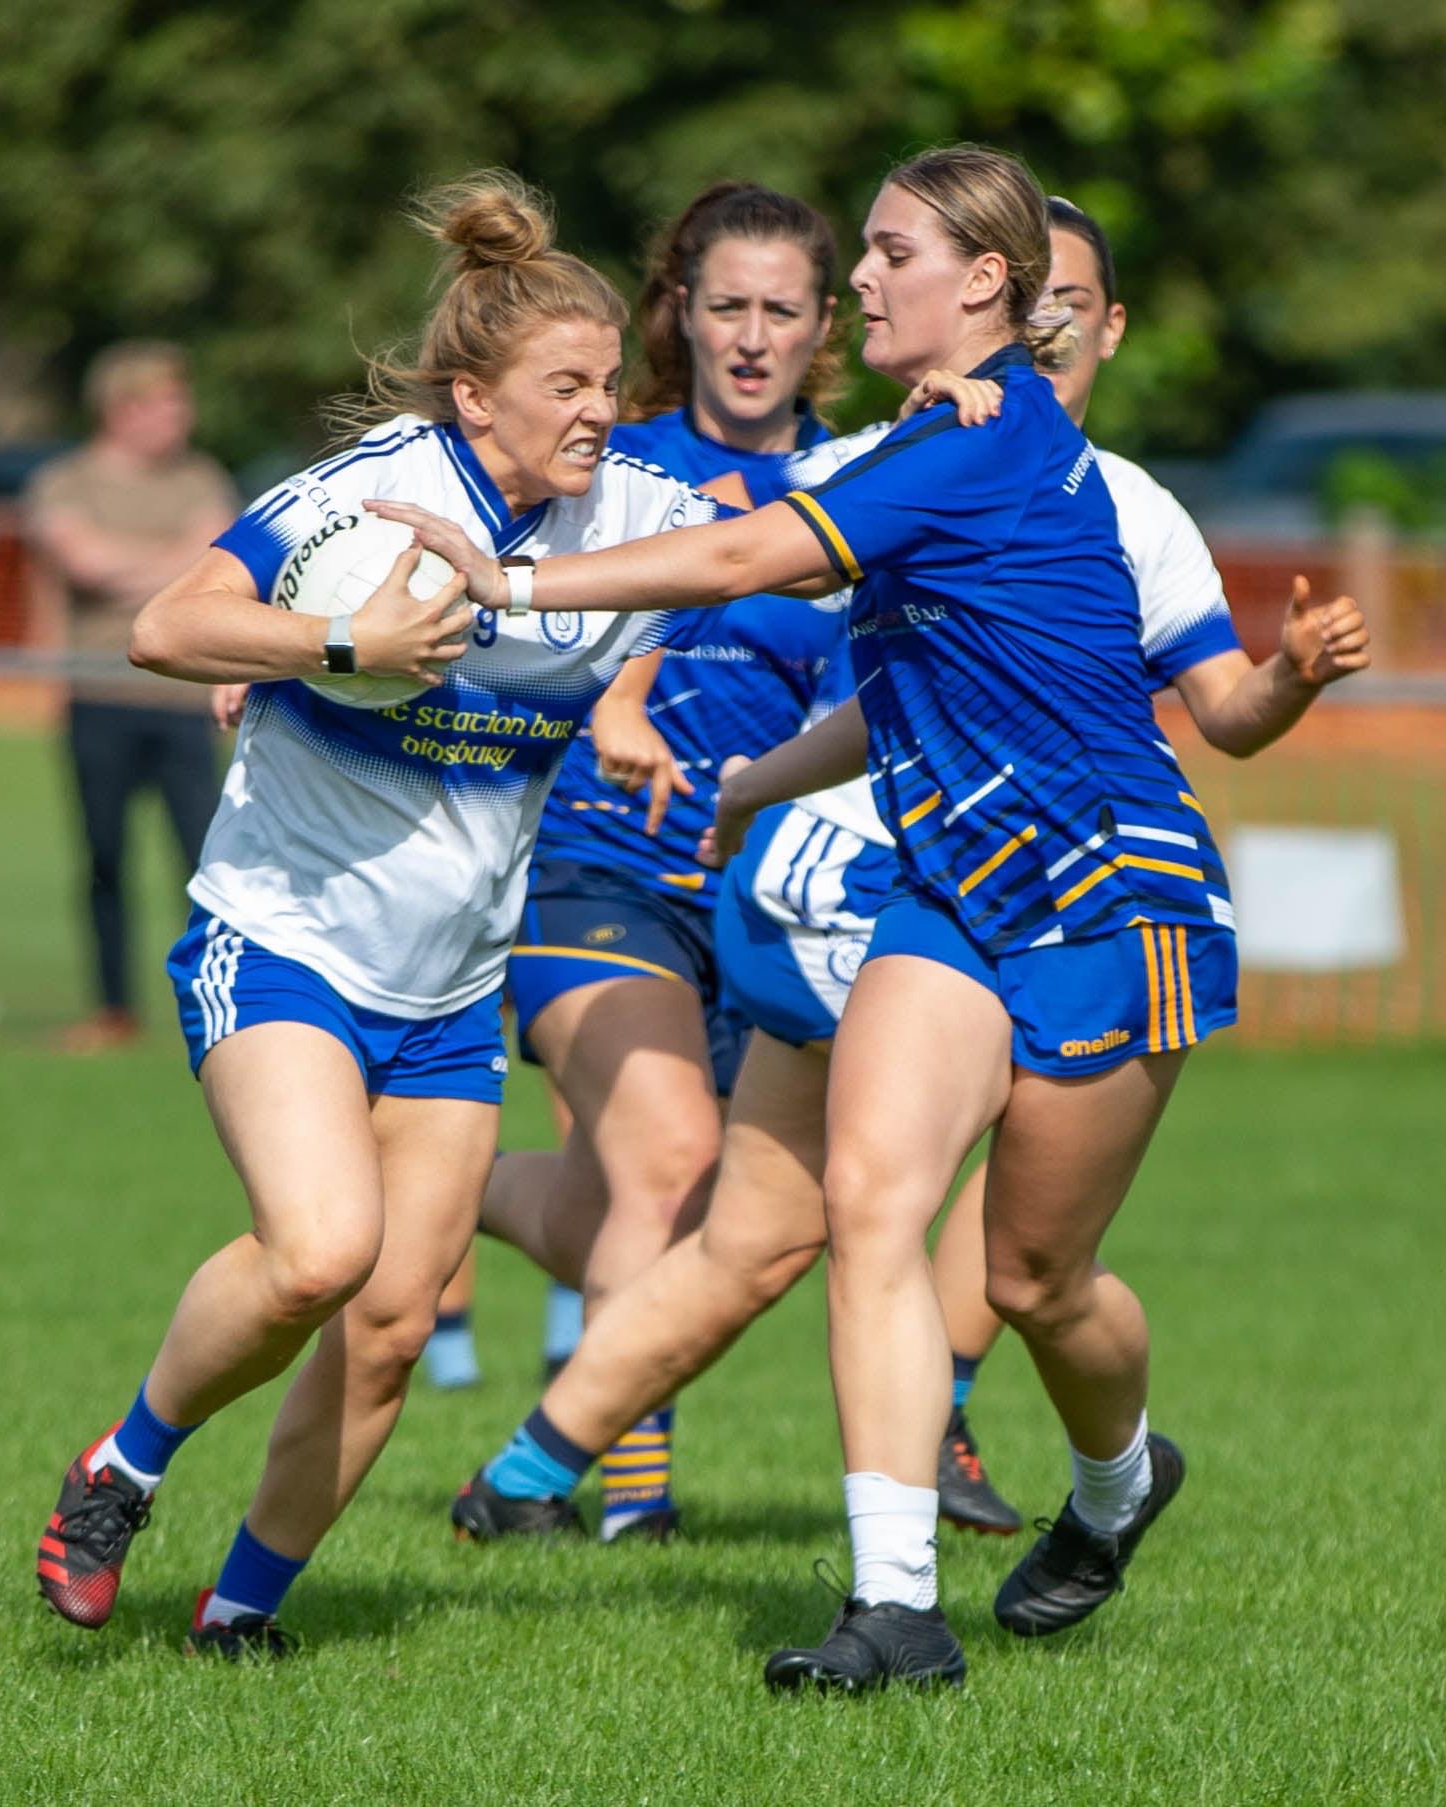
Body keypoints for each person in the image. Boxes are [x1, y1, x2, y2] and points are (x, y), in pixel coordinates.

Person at [370, 143, 1371, 1693]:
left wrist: (497, 586)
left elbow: (729, 552)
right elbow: (898, 687)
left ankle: (1113, 1481)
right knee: (869, 1200)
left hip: (1112, 899)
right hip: (952, 894)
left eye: (886, 252)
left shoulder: (981, 447)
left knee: (1039, 1278)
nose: (855, 279)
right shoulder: (939, 433)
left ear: (982, 283)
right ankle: (891, 1608)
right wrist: (754, 781)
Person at [30, 172, 734, 1655]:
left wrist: (954, 417)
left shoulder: (626, 510)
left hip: (448, 996)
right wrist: (331, 638)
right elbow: (167, 624)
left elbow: (773, 521)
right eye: (567, 384)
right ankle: (121, 1467)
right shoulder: (363, 498)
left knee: (395, 1325)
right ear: (476, 400)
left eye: (609, 380)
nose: (601, 408)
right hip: (281, 940)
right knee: (317, 1250)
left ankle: (239, 1616)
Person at [459, 181, 849, 1542]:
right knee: (674, 1159)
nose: (749, 336)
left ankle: (446, 1195)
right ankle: (622, 1500)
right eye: (722, 304)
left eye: (779, 310)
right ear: (676, 308)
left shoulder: (864, 483)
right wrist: (283, 658)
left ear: (823, 324)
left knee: (679, 1206)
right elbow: (427, 553)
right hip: (591, 863)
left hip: (759, 893)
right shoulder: (602, 458)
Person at [25, 343, 238, 1050]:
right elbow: (79, 559)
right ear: (122, 408)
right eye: (165, 402)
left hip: (186, 703)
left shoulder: (202, 476)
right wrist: (176, 559)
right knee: (104, 858)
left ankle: (219, 1003)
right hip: (97, 695)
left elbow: (226, 560)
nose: (181, 415)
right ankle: (112, 1009)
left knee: (206, 861)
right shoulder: (65, 480)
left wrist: (136, 563)